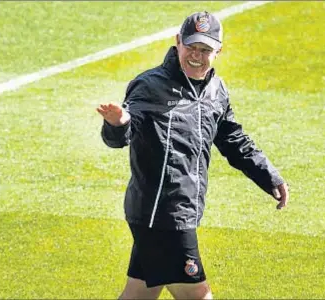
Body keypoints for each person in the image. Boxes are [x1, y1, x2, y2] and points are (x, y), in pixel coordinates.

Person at [97, 11, 289, 300]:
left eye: (206, 50)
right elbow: (124, 134)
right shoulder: (150, 85)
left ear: (218, 51)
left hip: (182, 210)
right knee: (197, 295)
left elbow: (233, 139)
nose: (197, 56)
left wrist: (267, 175)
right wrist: (118, 123)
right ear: (178, 42)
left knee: (139, 293)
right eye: (192, 47)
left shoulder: (216, 90)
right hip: (160, 213)